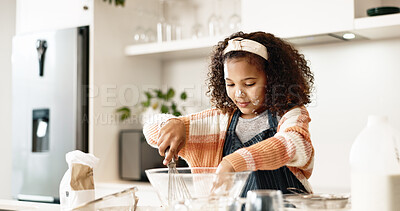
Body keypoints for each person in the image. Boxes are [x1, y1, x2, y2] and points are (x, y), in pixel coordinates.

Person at [143, 31, 315, 196]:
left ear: (272, 79)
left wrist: (232, 163)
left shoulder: (290, 115)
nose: (238, 93)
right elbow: (150, 130)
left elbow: (291, 144)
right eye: (230, 85)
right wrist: (173, 124)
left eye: (249, 84)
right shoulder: (216, 123)